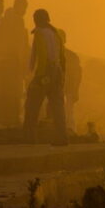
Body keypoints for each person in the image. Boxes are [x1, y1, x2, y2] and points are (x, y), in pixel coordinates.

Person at [24, 9, 68, 145]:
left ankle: (30, 138)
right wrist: (62, 76)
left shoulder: (39, 33)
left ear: (36, 20)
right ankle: (62, 138)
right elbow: (63, 57)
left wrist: (40, 76)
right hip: (57, 72)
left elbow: (42, 55)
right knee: (57, 107)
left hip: (45, 72)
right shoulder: (56, 34)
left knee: (32, 105)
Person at [0, 0, 30, 126]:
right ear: (18, 6)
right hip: (12, 62)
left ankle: (8, 118)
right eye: (24, 7)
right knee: (13, 91)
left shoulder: (7, 20)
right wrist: (22, 61)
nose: (25, 10)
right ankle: (12, 119)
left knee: (8, 90)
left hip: (7, 61)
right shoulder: (16, 21)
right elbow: (17, 44)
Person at [57, 29, 82, 133]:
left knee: (68, 114)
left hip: (67, 91)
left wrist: (75, 90)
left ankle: (70, 133)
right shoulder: (71, 56)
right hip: (59, 91)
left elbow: (77, 75)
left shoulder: (71, 56)